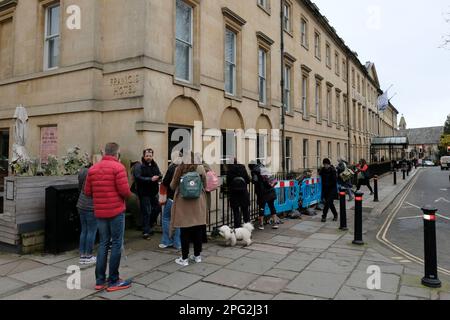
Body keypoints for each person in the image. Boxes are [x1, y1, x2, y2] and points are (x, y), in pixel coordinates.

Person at [85, 142, 132, 292]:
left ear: (105, 152)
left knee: (104, 243)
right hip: (116, 211)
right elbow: (125, 191)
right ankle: (113, 280)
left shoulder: (93, 169)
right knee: (117, 243)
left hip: (100, 212)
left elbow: (87, 192)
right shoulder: (119, 167)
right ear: (117, 153)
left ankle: (99, 280)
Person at [170, 153, 208, 266]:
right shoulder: (200, 167)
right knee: (198, 229)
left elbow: (172, 185)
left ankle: (184, 258)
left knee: (184, 231)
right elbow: (205, 184)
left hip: (183, 203)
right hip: (198, 202)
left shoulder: (179, 168)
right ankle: (197, 256)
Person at [133, 149, 162, 239]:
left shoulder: (154, 164)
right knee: (146, 211)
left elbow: (159, 173)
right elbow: (138, 177)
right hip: (144, 192)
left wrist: (159, 177)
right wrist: (150, 179)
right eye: (147, 156)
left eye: (150, 155)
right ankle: (146, 231)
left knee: (157, 208)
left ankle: (148, 226)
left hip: (153, 192)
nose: (149, 157)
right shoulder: (139, 166)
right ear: (144, 156)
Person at [159, 152, 182, 250]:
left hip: (172, 198)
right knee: (178, 221)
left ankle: (167, 241)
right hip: (183, 199)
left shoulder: (172, 168)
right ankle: (178, 243)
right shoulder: (185, 167)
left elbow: (165, 182)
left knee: (166, 218)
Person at [77, 158, 97, 265]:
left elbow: (80, 187)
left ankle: (82, 255)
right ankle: (88, 255)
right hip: (91, 206)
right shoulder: (95, 174)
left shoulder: (82, 171)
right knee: (91, 231)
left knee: (84, 230)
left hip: (81, 204)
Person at [249, 161, 279, 231]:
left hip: (262, 193)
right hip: (271, 191)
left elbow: (255, 180)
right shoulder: (264, 168)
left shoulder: (254, 171)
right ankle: (275, 223)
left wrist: (251, 179)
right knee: (272, 206)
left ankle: (261, 224)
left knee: (261, 208)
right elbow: (272, 179)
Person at [227, 158, 251, 229]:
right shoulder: (242, 167)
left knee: (236, 212)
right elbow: (247, 180)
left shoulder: (230, 169)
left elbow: (228, 182)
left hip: (234, 193)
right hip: (243, 192)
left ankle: (237, 229)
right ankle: (248, 228)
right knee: (245, 211)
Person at [319, 158, 339, 222]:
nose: (325, 166)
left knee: (327, 202)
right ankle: (335, 214)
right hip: (325, 190)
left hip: (332, 189)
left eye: (327, 164)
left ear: (329, 164)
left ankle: (324, 216)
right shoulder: (322, 170)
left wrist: (328, 184)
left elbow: (334, 181)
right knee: (330, 203)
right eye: (324, 164)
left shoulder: (333, 170)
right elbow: (319, 175)